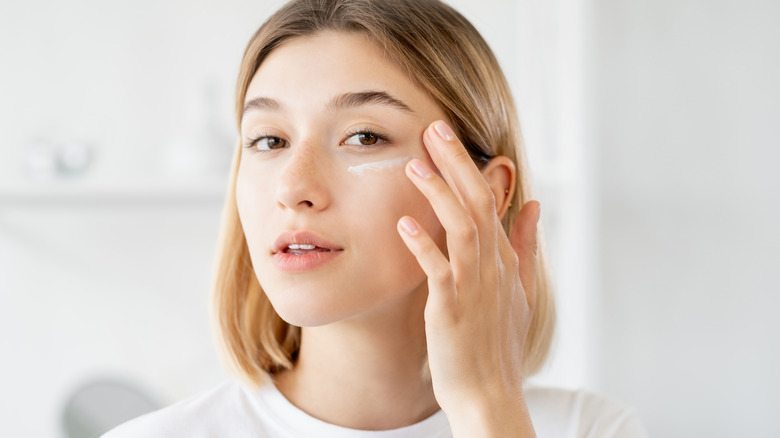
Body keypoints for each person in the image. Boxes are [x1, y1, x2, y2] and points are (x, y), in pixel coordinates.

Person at [103, 0, 648, 436]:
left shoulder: (589, 429)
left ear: (484, 191)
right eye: (270, 139)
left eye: (363, 137)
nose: (294, 188)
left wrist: (488, 410)